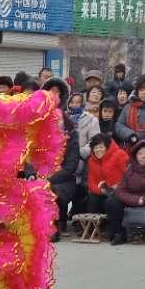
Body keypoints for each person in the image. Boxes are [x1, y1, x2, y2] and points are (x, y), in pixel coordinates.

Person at [42, 77, 80, 238]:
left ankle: (53, 227)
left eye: (58, 91)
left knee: (49, 189)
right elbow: (29, 153)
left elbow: (71, 166)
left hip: (64, 179)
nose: (54, 94)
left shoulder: (71, 132)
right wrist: (31, 173)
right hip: (41, 173)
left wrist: (49, 178)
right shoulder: (37, 126)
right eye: (51, 91)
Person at [84, 131, 128, 222]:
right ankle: (93, 227)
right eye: (95, 147)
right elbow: (91, 182)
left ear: (107, 147)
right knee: (92, 198)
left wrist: (117, 186)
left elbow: (128, 175)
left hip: (118, 191)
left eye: (101, 147)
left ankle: (112, 226)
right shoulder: (91, 161)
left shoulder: (120, 155)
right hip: (103, 191)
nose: (98, 150)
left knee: (112, 200)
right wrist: (101, 190)